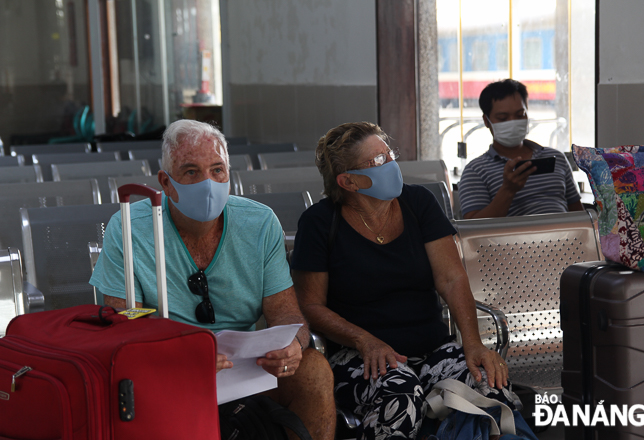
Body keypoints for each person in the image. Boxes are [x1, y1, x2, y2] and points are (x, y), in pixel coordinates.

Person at [89, 119, 335, 440]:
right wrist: (185, 355)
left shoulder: (259, 223)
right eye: (191, 172)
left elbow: (286, 313)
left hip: (245, 368)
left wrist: (292, 346)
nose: (208, 183)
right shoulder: (130, 227)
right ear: (166, 182)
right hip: (168, 366)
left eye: (217, 170)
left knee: (314, 371)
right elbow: (122, 320)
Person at [290, 121, 519, 440]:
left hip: (432, 346)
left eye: (390, 154)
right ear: (348, 181)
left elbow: (452, 279)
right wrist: (363, 340)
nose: (393, 165)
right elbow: (310, 304)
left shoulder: (419, 203)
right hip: (362, 355)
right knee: (401, 396)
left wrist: (473, 344)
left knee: (490, 385)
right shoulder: (318, 223)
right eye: (379, 161)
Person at [458, 78, 583, 219]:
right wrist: (508, 190)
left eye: (520, 115)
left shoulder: (556, 158)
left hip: (566, 238)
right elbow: (473, 230)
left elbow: (578, 214)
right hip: (512, 241)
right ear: (487, 121)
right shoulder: (475, 171)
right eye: (503, 118)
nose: (513, 122)